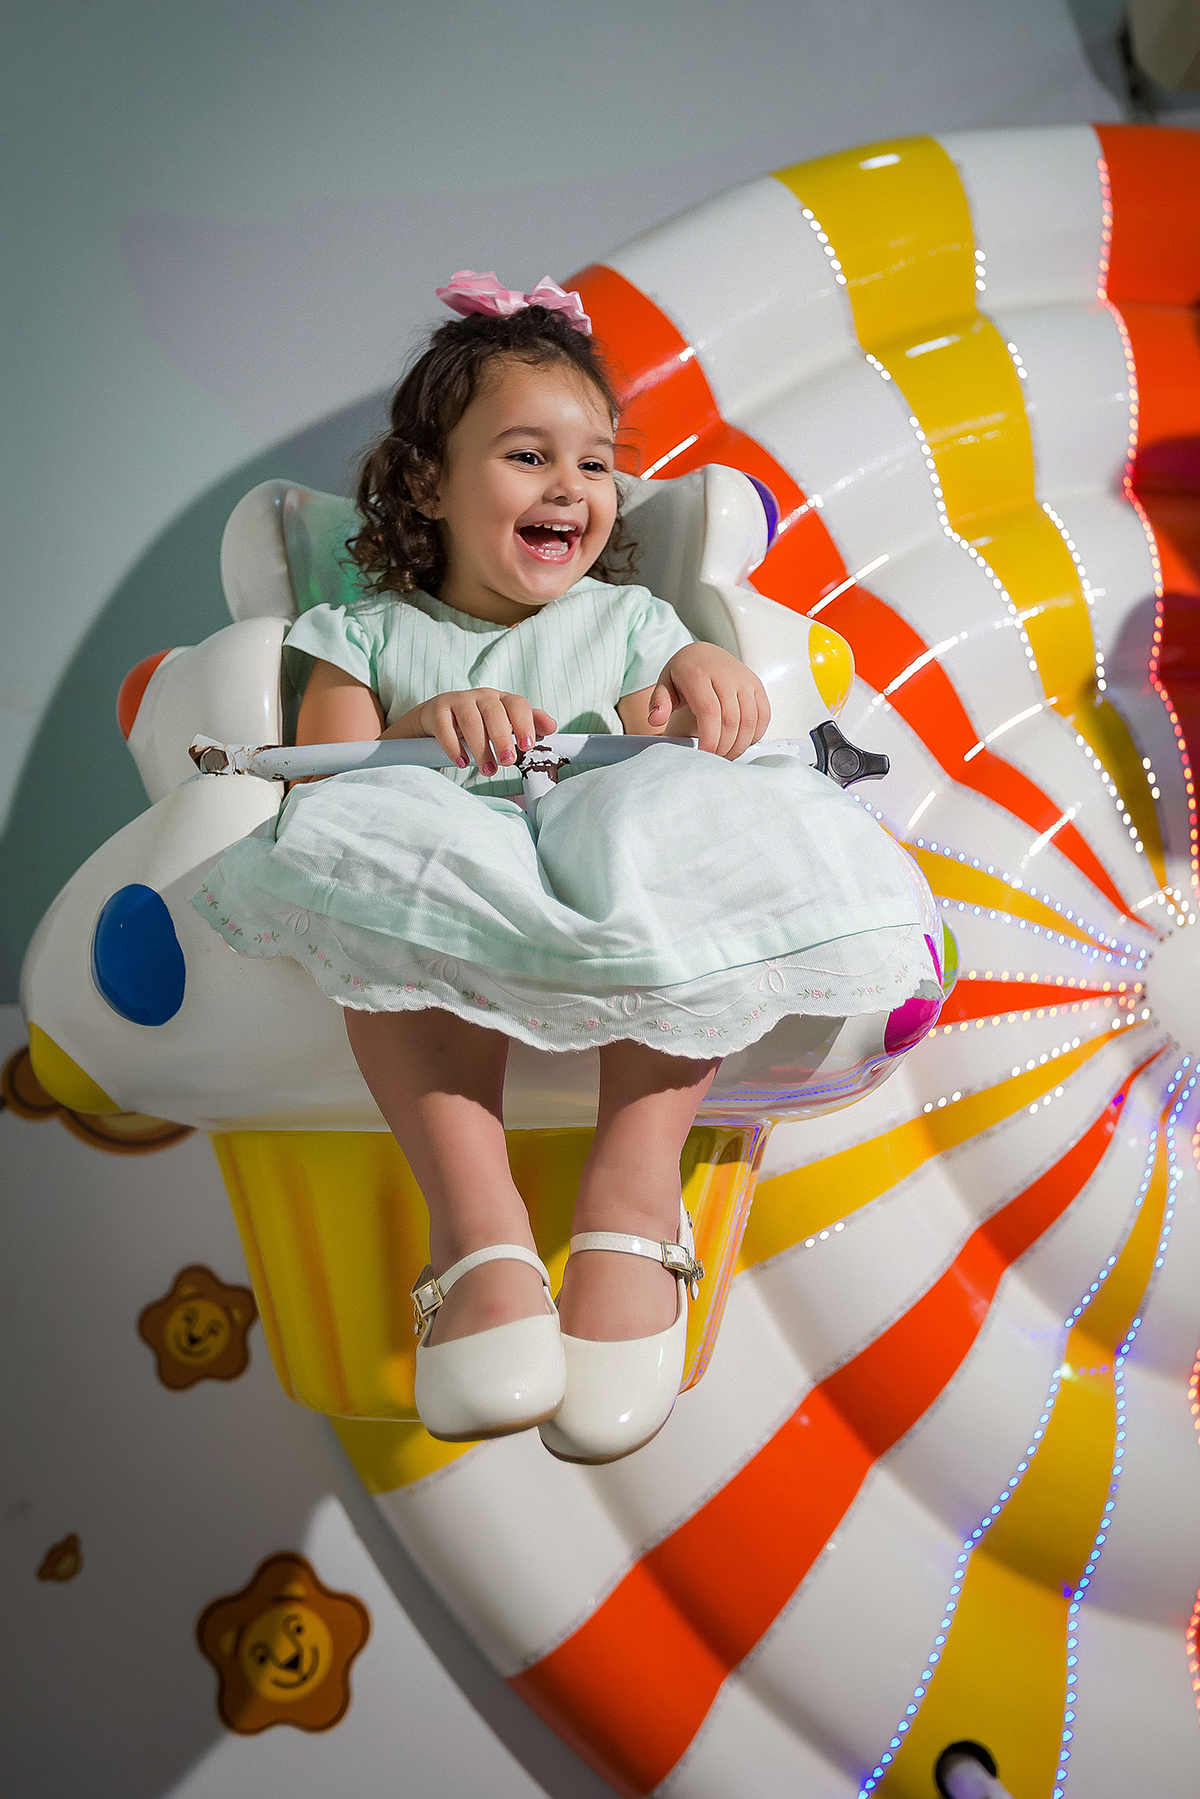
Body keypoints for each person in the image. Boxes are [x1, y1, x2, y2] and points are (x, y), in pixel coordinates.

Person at [193, 271, 938, 1463]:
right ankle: (481, 1234)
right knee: (378, 838)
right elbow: (323, 780)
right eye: (528, 456)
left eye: (594, 463)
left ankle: (631, 1195)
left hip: (606, 859)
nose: (570, 487)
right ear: (427, 483)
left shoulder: (634, 620)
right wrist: (421, 721)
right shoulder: (363, 632)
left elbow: (680, 725)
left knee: (682, 817)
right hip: (444, 868)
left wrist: (703, 681)